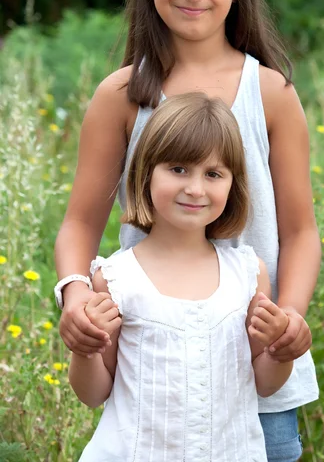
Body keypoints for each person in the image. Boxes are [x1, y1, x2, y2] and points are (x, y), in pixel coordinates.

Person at [55, 0, 321, 462]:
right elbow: (79, 224)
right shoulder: (123, 95)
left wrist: (288, 320)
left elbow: (300, 232)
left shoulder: (271, 94)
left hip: (258, 382)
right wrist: (76, 298)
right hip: (155, 384)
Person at [69, 93, 294, 461]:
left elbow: (266, 384)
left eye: (213, 174)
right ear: (145, 173)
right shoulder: (115, 278)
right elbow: (92, 394)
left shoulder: (249, 275)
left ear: (232, 185)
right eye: (178, 169)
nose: (195, 188)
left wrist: (282, 350)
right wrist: (85, 349)